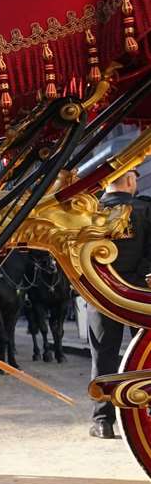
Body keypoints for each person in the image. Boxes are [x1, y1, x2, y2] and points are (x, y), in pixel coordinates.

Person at [86, 169, 151, 438]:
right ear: (131, 181)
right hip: (140, 293)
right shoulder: (145, 209)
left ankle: (103, 421)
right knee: (145, 356)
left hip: (100, 295)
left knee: (103, 355)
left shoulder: (89, 213)